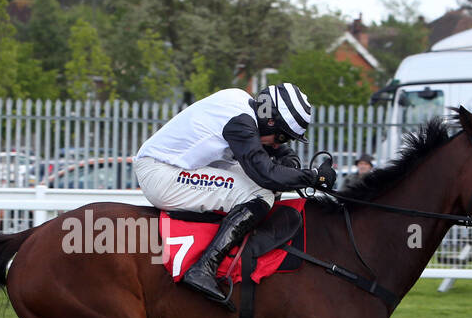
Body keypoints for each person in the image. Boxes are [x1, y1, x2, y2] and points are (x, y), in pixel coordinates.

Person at [133, 83, 332, 303]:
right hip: (162, 174)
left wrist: (287, 156)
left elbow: (269, 148)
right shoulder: (241, 122)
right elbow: (265, 173)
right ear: (270, 121)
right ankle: (204, 268)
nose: (279, 144)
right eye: (282, 137)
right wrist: (313, 177)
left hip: (173, 166)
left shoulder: (242, 103)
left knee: (264, 189)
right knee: (260, 194)